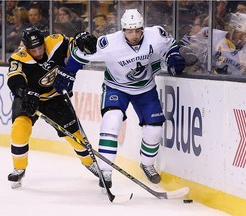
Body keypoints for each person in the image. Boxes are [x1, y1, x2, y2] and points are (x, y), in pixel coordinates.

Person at [61, 9, 185, 188]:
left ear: (142, 28)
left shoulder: (155, 35)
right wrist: (68, 73)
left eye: (137, 30)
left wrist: (173, 56)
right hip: (116, 88)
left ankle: (147, 164)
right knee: (112, 120)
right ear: (123, 30)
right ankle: (105, 171)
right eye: (129, 31)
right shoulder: (109, 43)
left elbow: (170, 45)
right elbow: (80, 56)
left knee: (155, 130)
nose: (134, 35)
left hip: (145, 88)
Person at [7, 26, 99, 189]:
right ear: (26, 48)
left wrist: (80, 38)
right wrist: (23, 91)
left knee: (75, 135)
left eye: (40, 47)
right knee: (20, 127)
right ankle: (19, 168)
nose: (38, 52)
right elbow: (14, 80)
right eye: (33, 50)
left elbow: (74, 46)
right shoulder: (19, 57)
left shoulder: (55, 42)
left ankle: (90, 163)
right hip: (29, 98)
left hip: (54, 97)